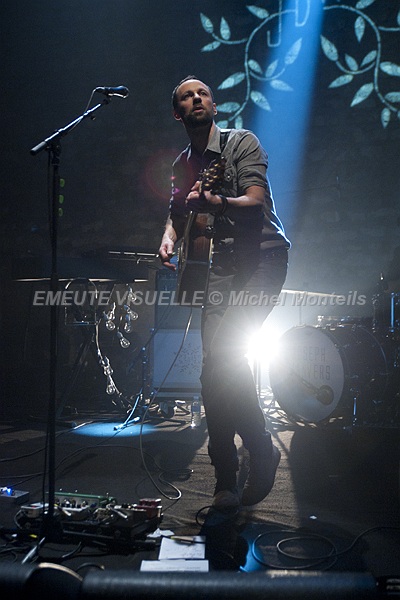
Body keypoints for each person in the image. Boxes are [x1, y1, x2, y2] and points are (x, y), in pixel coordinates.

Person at [158, 76, 290, 509]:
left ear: (214, 106)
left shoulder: (241, 143)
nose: (197, 98)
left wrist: (219, 204)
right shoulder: (182, 164)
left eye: (203, 94)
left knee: (224, 358)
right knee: (212, 371)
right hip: (219, 268)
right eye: (187, 96)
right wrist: (168, 238)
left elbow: (256, 203)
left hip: (262, 259)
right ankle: (226, 480)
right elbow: (177, 213)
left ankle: (257, 448)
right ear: (177, 113)